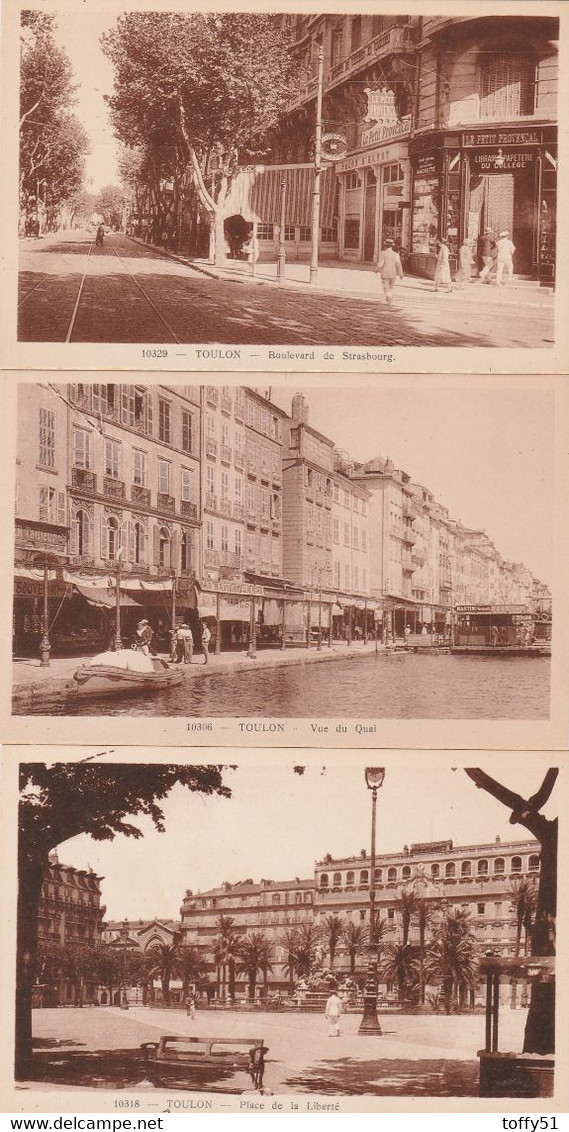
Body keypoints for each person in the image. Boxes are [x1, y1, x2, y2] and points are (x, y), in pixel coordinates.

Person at [375, 238, 403, 306]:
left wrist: (377, 269)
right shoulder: (396, 254)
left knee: (386, 288)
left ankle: (389, 298)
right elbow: (398, 264)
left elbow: (381, 263)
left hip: (385, 274)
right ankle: (389, 298)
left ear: (385, 245)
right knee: (391, 287)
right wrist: (400, 274)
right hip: (393, 274)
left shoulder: (383, 253)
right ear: (392, 246)